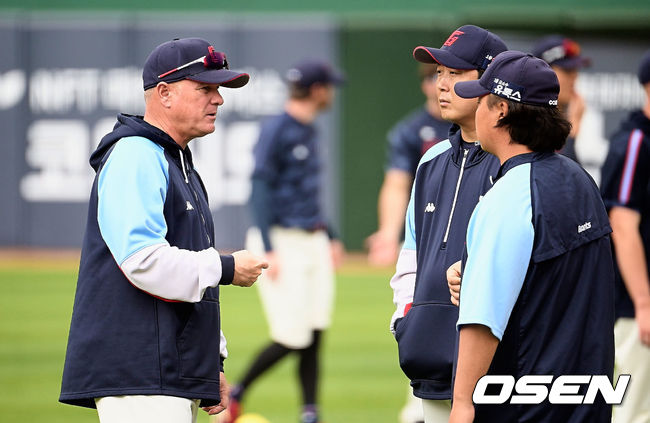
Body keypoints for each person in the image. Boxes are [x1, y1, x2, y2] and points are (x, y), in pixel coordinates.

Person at [59, 38, 268, 423]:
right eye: (205, 88)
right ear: (164, 93)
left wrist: (211, 363)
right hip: (139, 370)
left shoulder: (176, 162)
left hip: (165, 370)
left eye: (218, 89)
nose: (218, 99)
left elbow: (187, 281)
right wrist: (224, 267)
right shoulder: (135, 155)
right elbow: (142, 260)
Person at [448, 50, 615, 423]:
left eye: (481, 100)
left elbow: (482, 320)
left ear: (501, 110)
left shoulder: (509, 195)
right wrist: (474, 269)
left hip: (523, 407)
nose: (475, 109)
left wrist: (463, 403)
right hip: (585, 404)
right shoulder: (580, 180)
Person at [389, 25, 507, 423]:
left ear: (489, 83)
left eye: (455, 74)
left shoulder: (516, 164)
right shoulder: (431, 160)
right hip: (432, 363)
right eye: (439, 73)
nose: (442, 84)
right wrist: (407, 318)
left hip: (500, 372)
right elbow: (412, 253)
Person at [224, 59, 345, 423]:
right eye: (330, 87)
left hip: (313, 239)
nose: (333, 93)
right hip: (279, 240)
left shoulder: (310, 129)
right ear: (318, 91)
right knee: (292, 335)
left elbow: (307, 196)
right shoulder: (277, 129)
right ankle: (237, 393)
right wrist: (268, 246)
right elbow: (258, 190)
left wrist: (332, 235)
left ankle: (310, 412)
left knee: (315, 327)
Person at [599, 49, 650, 423]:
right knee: (632, 413)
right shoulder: (635, 142)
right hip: (636, 310)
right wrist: (644, 306)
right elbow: (623, 226)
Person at [366, 63, 451, 269]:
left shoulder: (478, 125)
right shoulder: (409, 131)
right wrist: (388, 233)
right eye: (435, 77)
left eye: (452, 75)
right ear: (425, 85)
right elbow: (397, 184)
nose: (442, 84)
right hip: (425, 231)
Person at [532, 35, 591, 163]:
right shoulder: (527, 120)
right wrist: (573, 128)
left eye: (575, 71)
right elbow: (557, 175)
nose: (575, 77)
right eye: (568, 70)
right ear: (543, 73)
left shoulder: (555, 121)